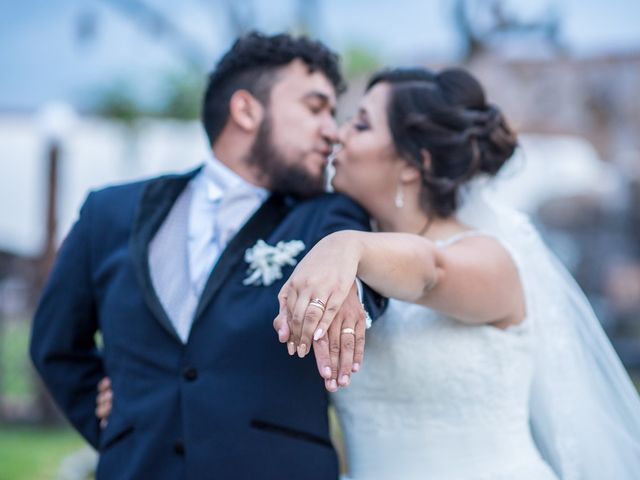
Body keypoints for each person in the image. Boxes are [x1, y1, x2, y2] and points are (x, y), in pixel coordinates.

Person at [30, 32, 383, 480]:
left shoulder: (329, 216)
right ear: (246, 110)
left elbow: (360, 295)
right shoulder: (109, 213)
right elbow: (55, 345)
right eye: (316, 108)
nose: (332, 131)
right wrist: (121, 426)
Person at [275, 67, 640, 479]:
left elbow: (432, 271)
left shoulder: (491, 259)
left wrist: (346, 245)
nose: (339, 135)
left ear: (415, 163)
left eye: (360, 124)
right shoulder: (349, 272)